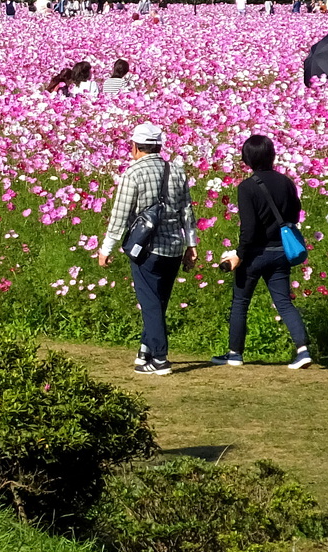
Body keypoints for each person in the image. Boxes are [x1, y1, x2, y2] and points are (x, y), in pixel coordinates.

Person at [97, 122, 192, 375]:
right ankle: (145, 350)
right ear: (159, 146)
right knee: (158, 301)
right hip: (173, 247)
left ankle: (160, 359)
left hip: (146, 248)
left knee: (150, 303)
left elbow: (120, 214)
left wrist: (106, 247)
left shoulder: (133, 173)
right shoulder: (177, 171)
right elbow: (187, 211)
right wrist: (191, 245)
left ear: (136, 147)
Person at [212, 133, 312, 370]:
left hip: (255, 254)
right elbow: (295, 215)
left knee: (240, 302)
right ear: (272, 155)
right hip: (280, 252)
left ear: (247, 158)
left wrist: (239, 254)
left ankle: (235, 353)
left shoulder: (247, 187)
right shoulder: (287, 182)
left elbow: (249, 228)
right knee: (284, 303)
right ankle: (303, 350)